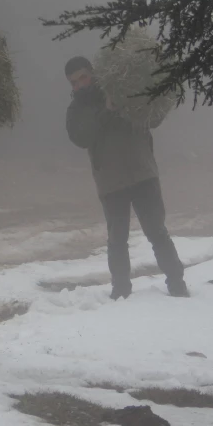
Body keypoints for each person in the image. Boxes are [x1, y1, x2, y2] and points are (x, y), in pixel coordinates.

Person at [64, 56, 188, 300]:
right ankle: (120, 291)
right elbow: (81, 138)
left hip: (143, 173)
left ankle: (177, 283)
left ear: (93, 72)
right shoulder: (76, 110)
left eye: (83, 77)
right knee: (117, 240)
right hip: (110, 182)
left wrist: (148, 95)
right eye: (74, 82)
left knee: (157, 232)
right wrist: (107, 111)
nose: (80, 85)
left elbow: (153, 118)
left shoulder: (121, 88)